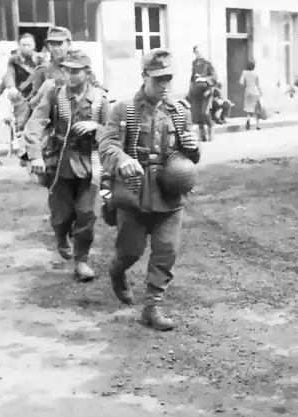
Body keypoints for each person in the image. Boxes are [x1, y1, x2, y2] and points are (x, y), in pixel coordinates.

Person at [98, 48, 201, 331]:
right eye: (158, 79)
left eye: (168, 79)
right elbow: (106, 146)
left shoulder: (179, 111)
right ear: (144, 76)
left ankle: (152, 306)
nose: (164, 85)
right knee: (129, 252)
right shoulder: (123, 109)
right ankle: (116, 271)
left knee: (167, 250)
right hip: (134, 194)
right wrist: (123, 160)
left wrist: (194, 149)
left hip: (169, 193)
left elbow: (189, 155)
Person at [24, 49, 109, 282]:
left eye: (75, 71)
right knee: (61, 214)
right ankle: (61, 235)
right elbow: (36, 122)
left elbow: (114, 133)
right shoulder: (55, 95)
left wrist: (96, 127)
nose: (69, 74)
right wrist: (35, 156)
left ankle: (81, 260)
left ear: (88, 73)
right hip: (60, 161)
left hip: (90, 163)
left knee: (87, 214)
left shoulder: (101, 100)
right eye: (67, 70)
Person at [0, 33, 45, 131]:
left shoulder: (41, 60)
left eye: (28, 45)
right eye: (23, 45)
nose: (26, 47)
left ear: (34, 46)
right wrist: (10, 88)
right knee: (22, 121)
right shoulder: (14, 60)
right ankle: (21, 136)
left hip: (39, 94)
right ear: (19, 46)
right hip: (21, 95)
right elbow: (9, 75)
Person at [188, 45, 217, 142]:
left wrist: (203, 79)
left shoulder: (207, 64)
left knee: (205, 113)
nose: (198, 53)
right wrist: (190, 90)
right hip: (196, 93)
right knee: (198, 115)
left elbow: (214, 77)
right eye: (196, 52)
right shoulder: (194, 64)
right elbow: (192, 78)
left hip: (206, 92)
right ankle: (203, 137)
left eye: (199, 51)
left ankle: (211, 132)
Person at [239, 60, 262, 130]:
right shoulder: (255, 73)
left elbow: (241, 82)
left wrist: (246, 84)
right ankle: (258, 125)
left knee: (249, 108)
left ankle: (248, 120)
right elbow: (258, 84)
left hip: (248, 91)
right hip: (255, 91)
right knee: (257, 109)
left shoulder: (244, 72)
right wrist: (260, 92)